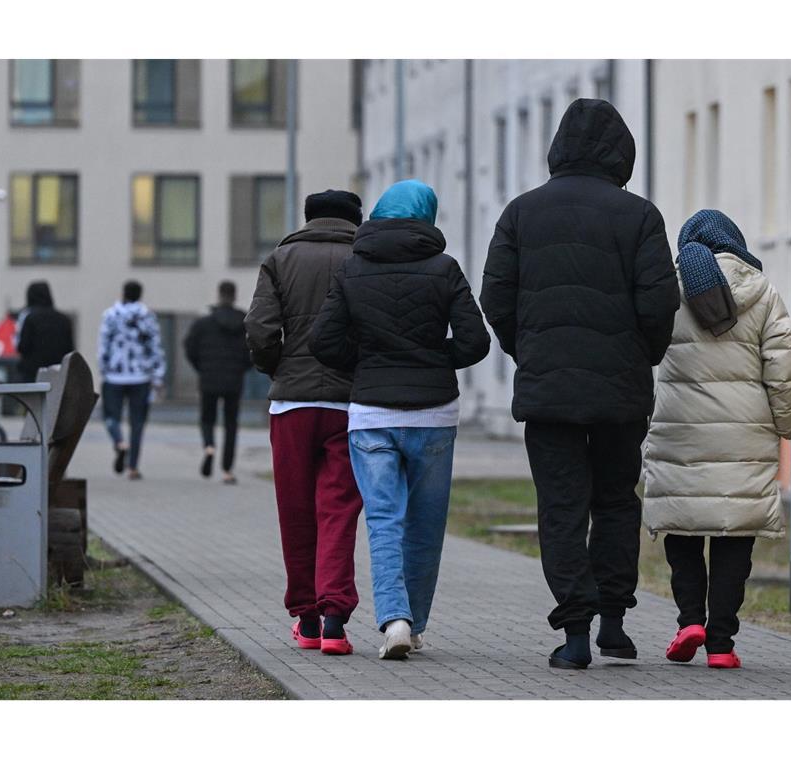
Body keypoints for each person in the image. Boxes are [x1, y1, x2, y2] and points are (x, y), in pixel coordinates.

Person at [481, 99, 680, 670]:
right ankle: (614, 622)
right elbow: (658, 301)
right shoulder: (640, 216)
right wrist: (642, 356)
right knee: (616, 500)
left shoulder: (521, 213)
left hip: (549, 394)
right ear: (622, 152)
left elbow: (496, 297)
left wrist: (532, 351)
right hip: (620, 391)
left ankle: (574, 634)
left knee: (562, 507)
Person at [311, 179, 490, 660]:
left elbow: (323, 343)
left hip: (371, 413)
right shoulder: (445, 268)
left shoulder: (352, 269)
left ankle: (395, 619)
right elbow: (475, 342)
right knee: (425, 525)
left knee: (384, 521)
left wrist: (369, 363)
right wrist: (434, 358)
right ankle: (416, 622)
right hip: (434, 414)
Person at [642, 210, 791, 669]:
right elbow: (784, 365)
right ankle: (721, 643)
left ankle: (689, 620)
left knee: (683, 526)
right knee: (735, 538)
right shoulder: (763, 292)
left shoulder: (669, 290)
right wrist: (783, 426)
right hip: (744, 436)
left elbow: (644, 348)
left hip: (679, 433)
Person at [245, 190, 367, 656]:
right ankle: (335, 621)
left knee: (296, 513)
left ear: (308, 218)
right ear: (357, 219)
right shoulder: (364, 256)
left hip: (291, 405)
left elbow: (259, 328)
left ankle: (308, 620)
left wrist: (276, 367)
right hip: (349, 405)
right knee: (337, 512)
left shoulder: (280, 258)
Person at [184, 281, 253, 484]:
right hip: (234, 380)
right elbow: (254, 349)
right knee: (231, 424)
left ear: (219, 294)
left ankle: (209, 446)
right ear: (234, 295)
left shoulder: (204, 323)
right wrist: (242, 368)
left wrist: (201, 367)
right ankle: (227, 470)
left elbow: (189, 348)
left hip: (209, 379)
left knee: (207, 418)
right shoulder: (244, 322)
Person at [98, 280, 165, 480]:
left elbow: (103, 345)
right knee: (137, 423)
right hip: (141, 376)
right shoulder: (147, 316)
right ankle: (133, 467)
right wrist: (158, 375)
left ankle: (119, 442)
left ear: (123, 293)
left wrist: (103, 369)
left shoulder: (110, 315)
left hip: (114, 375)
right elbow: (155, 346)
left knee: (111, 416)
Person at [16, 281, 75, 382]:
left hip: (32, 375)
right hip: (58, 375)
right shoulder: (64, 319)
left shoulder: (30, 319)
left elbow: (23, 346)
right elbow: (69, 349)